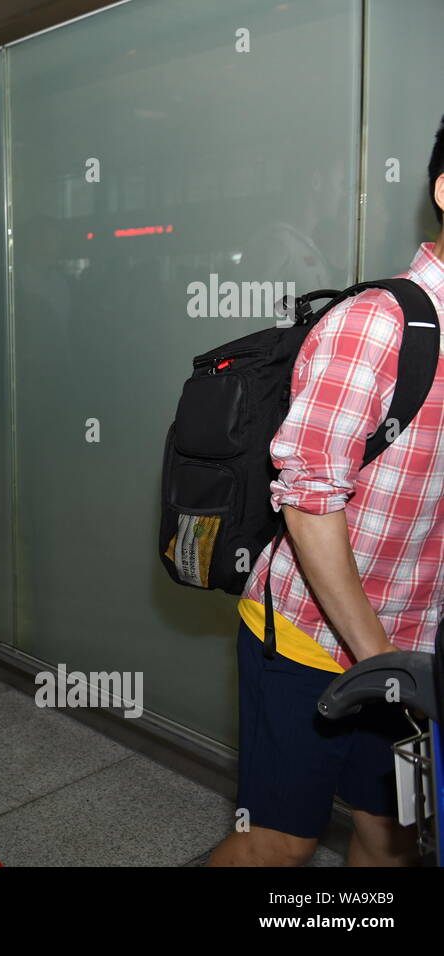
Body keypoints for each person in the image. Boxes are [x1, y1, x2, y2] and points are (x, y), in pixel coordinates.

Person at [208, 116, 444, 868]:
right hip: (313, 635)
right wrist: (382, 667)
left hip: (419, 644)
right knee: (280, 842)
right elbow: (310, 501)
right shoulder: (380, 323)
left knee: (389, 835)